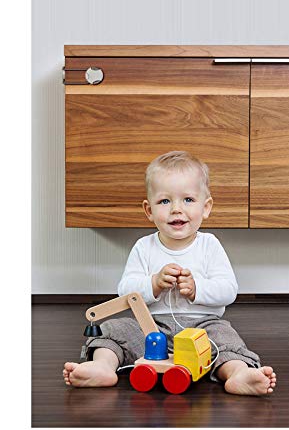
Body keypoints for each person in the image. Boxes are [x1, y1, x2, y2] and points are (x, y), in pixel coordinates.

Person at [63, 151, 277, 396]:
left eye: (188, 199)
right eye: (165, 201)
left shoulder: (209, 245)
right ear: (149, 210)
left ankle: (238, 373)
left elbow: (228, 290)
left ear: (206, 207)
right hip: (151, 327)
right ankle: (102, 366)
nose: (176, 209)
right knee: (114, 329)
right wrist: (153, 283)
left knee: (225, 338)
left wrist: (197, 289)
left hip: (203, 326)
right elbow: (125, 290)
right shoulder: (144, 247)